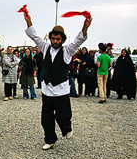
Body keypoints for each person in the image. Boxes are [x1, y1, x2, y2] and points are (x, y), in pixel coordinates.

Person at [24, 12, 92, 150]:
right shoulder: (45, 47)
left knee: (63, 115)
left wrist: (85, 27)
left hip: (61, 90)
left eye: (58, 39)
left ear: (62, 40)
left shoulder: (68, 50)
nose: (55, 41)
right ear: (50, 38)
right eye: (53, 39)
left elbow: (79, 40)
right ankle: (50, 140)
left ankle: (67, 128)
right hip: (47, 90)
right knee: (46, 119)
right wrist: (28, 21)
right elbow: (34, 36)